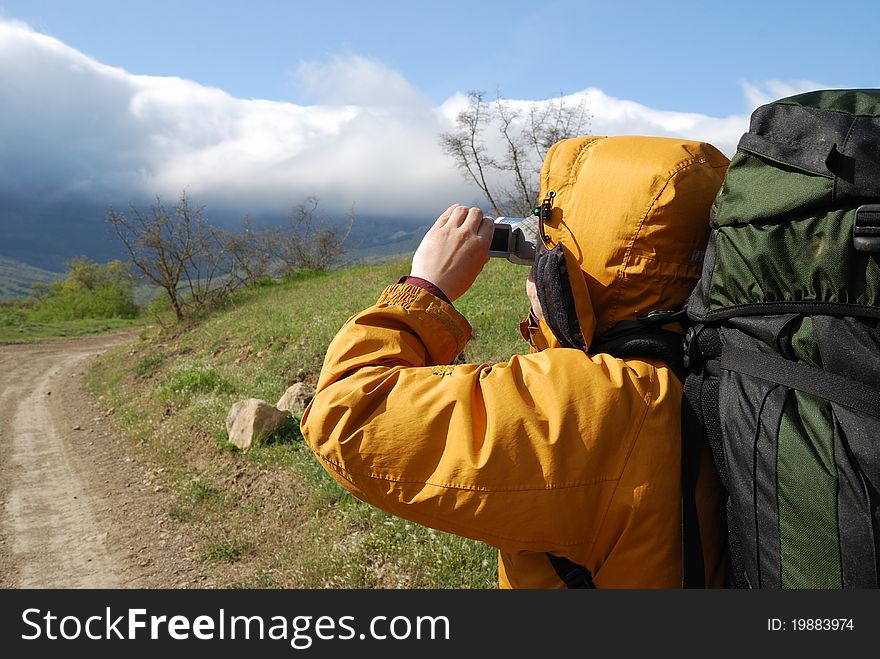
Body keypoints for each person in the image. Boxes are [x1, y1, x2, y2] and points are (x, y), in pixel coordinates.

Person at [300, 135, 730, 588]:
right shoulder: (719, 365)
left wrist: (426, 288)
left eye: (548, 249)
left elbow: (344, 414)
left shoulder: (594, 408)